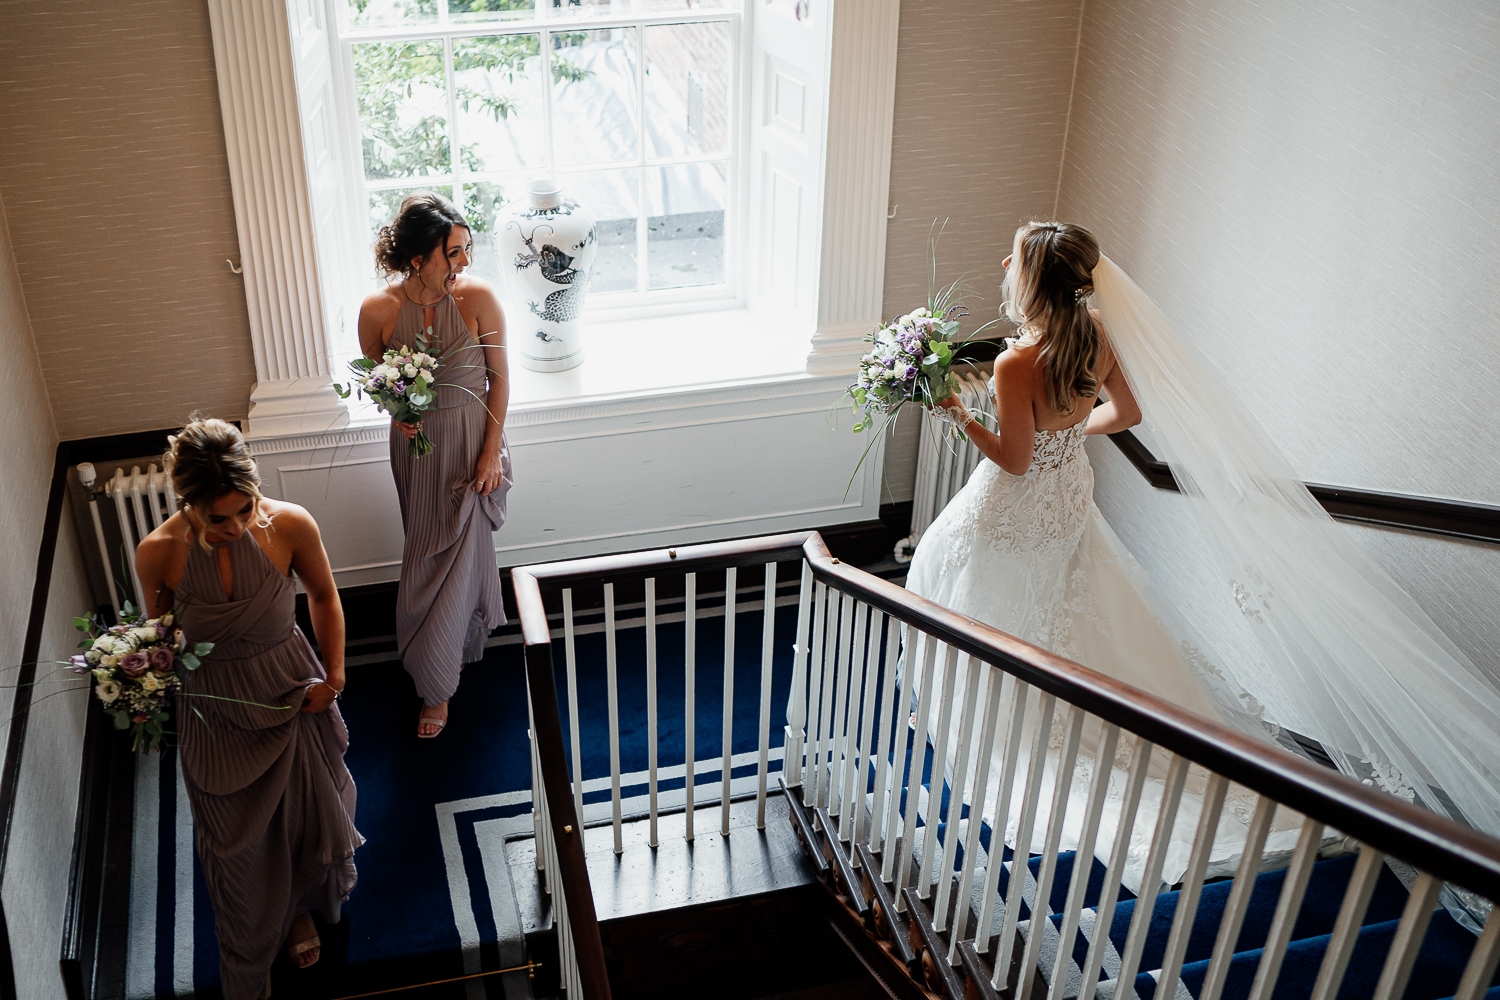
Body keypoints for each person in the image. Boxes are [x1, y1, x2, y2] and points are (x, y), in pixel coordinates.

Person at [907, 221, 1500, 899]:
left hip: (1016, 509)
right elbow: (1125, 412)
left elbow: (1013, 461)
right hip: (1067, 496)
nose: (1002, 260)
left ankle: (1006, 718)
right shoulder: (1096, 332)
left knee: (987, 594)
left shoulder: (1016, 365)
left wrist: (959, 412)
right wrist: (1064, 439)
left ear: (1034, 278)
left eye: (1012, 255)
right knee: (1065, 601)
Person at [135, 417, 361, 1000]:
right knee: (233, 840)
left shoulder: (290, 524)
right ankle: (251, 943)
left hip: (289, 688)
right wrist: (136, 674)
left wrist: (333, 676)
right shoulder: (157, 553)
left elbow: (323, 595)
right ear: (188, 502)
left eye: (246, 508)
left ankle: (299, 910)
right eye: (218, 518)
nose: (236, 526)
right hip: (216, 708)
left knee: (302, 814)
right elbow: (159, 637)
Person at [358, 192, 512, 738]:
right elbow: (382, 384)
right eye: (453, 252)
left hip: (472, 447)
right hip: (418, 455)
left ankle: (437, 686)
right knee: (425, 557)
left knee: (465, 556)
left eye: (467, 249)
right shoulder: (378, 311)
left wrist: (491, 452)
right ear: (419, 257)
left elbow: (499, 379)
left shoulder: (479, 300)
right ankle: (437, 658)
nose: (464, 262)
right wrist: (398, 414)